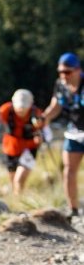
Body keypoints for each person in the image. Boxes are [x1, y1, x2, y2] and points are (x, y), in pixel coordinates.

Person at [43, 52, 84, 218]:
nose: (64, 75)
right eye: (61, 72)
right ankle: (73, 210)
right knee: (68, 170)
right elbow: (56, 106)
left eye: (67, 72)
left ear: (78, 70)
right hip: (74, 131)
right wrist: (43, 119)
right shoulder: (60, 84)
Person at [0, 89, 44, 195]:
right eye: (19, 107)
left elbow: (45, 131)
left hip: (29, 148)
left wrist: (41, 138)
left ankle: (19, 202)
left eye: (24, 107)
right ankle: (17, 199)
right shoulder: (7, 109)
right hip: (11, 148)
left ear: (30, 105)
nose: (21, 110)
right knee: (13, 178)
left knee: (18, 180)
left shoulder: (36, 113)